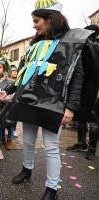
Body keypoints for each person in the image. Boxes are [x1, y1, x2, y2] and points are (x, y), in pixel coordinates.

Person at [0, 0, 99, 199]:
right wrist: (8, 90)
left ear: (50, 19)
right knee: (27, 140)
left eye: (37, 21)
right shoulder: (35, 44)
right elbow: (23, 73)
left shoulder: (72, 43)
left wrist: (71, 107)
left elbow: (77, 77)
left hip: (55, 103)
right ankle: (27, 170)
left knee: (51, 146)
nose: (34, 25)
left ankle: (52, 188)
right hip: (29, 101)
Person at [66, 24, 99, 160]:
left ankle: (92, 148)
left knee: (95, 122)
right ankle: (81, 143)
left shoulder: (95, 47)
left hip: (95, 90)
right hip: (84, 89)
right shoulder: (84, 47)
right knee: (80, 117)